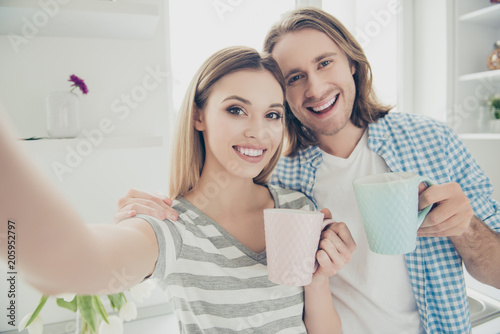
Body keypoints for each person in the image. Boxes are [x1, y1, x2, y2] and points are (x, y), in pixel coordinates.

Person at [115, 7, 500, 334]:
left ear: (352, 62)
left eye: (324, 63)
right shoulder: (278, 179)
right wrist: (154, 218)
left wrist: (467, 228)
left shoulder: (431, 141)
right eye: (294, 78)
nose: (314, 88)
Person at [0, 46, 354, 333]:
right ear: (199, 116)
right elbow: (65, 266)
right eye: (236, 110)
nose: (258, 132)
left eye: (272, 115)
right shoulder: (171, 226)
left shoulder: (298, 208)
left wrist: (319, 278)